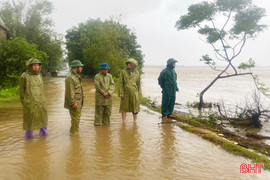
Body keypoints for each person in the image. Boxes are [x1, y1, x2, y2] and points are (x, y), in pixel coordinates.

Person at [20, 58, 48, 139]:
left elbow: (42, 90)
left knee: (42, 118)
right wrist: (25, 104)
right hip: (30, 103)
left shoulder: (39, 75)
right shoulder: (24, 76)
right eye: (34, 65)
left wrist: (43, 101)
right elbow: (22, 93)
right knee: (30, 120)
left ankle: (43, 136)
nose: (36, 67)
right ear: (30, 66)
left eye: (38, 65)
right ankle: (29, 138)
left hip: (41, 102)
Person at [64, 60, 84, 135]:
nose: (81, 68)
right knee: (75, 119)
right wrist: (73, 103)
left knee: (76, 119)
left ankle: (75, 134)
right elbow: (70, 92)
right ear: (76, 68)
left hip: (78, 102)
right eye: (80, 67)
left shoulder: (77, 76)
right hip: (75, 103)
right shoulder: (70, 78)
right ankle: (74, 135)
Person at [119, 58, 142, 122]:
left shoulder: (137, 73)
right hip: (125, 92)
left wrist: (139, 94)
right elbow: (121, 83)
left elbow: (139, 84)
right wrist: (121, 93)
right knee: (124, 107)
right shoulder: (123, 72)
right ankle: (124, 121)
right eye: (128, 63)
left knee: (135, 108)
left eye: (130, 63)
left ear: (133, 64)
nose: (129, 65)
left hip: (134, 92)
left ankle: (135, 122)